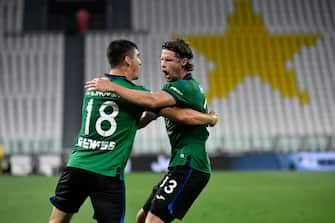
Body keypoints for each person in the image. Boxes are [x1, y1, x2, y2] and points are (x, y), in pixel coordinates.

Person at [49, 39, 217, 223]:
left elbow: (163, 109)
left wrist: (210, 119)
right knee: (141, 218)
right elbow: (151, 110)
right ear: (128, 61)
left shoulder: (94, 89)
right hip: (124, 170)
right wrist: (209, 118)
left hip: (190, 164)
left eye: (167, 60)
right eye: (162, 59)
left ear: (183, 62)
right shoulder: (142, 93)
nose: (161, 64)